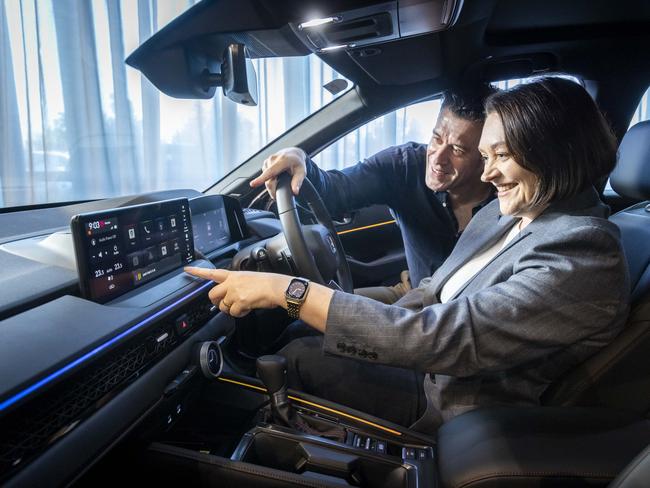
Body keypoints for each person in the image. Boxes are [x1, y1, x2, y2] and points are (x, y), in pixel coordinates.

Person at [186, 78, 630, 432]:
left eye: (501, 156)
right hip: (433, 368)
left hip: (457, 406)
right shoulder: (514, 210)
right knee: (306, 339)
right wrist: (364, 332)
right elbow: (433, 291)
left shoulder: (583, 247)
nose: (489, 171)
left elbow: (448, 338)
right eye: (485, 155)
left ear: (554, 156)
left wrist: (293, 292)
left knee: (295, 360)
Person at [249, 85, 498, 303]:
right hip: (412, 294)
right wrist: (300, 158)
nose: (438, 158)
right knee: (300, 319)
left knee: (305, 349)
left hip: (468, 314)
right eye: (436, 138)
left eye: (457, 150)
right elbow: (335, 190)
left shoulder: (510, 195)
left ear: (485, 156)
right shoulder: (404, 166)